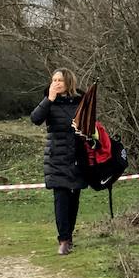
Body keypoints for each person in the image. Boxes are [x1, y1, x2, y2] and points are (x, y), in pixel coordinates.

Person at [30, 69, 85, 254]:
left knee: (73, 199)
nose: (56, 83)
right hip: (57, 158)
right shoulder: (49, 102)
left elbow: (90, 125)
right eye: (54, 80)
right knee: (61, 198)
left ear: (68, 82)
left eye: (60, 80)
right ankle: (63, 240)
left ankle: (69, 235)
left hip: (77, 157)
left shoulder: (81, 101)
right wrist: (49, 99)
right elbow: (35, 119)